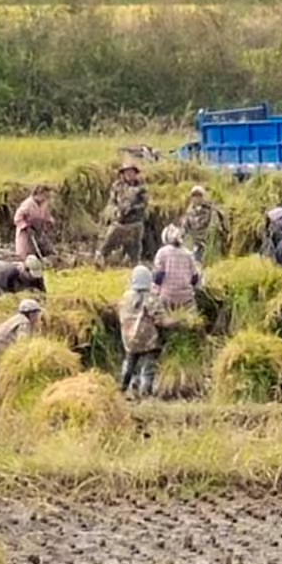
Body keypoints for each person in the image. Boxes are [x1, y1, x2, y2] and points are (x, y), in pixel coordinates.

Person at [117, 266, 171, 398]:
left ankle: (124, 387)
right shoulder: (151, 299)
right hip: (148, 341)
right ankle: (145, 392)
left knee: (129, 363)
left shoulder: (125, 297)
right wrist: (178, 321)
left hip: (128, 339)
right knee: (148, 367)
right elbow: (161, 321)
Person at [0, 298, 43, 398]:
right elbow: (22, 344)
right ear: (31, 314)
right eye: (37, 314)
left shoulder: (14, 319)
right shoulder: (24, 323)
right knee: (0, 394)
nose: (38, 317)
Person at [97, 162, 149, 265]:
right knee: (106, 243)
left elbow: (144, 204)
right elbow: (111, 202)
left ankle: (134, 264)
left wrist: (132, 208)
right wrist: (117, 210)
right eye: (126, 172)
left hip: (135, 223)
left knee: (135, 248)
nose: (129, 174)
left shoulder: (141, 188)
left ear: (135, 173)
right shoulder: (117, 186)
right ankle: (100, 261)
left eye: (131, 172)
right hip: (119, 222)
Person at [152, 225, 199, 310]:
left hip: (167, 296)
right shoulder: (188, 254)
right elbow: (195, 278)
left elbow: (158, 276)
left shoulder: (162, 252)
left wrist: (155, 291)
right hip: (186, 298)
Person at [14, 185, 56, 261]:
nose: (46, 198)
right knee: (26, 252)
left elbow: (46, 214)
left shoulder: (43, 204)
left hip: (38, 230)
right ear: (38, 194)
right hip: (27, 232)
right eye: (44, 196)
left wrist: (50, 221)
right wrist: (25, 226)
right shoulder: (27, 204)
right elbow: (17, 217)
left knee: (43, 247)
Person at [178, 185, 221, 260]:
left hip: (207, 242)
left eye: (199, 196)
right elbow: (184, 226)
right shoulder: (189, 212)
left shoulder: (211, 210)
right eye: (194, 196)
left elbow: (214, 225)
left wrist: (209, 238)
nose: (196, 198)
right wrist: (180, 237)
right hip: (194, 242)